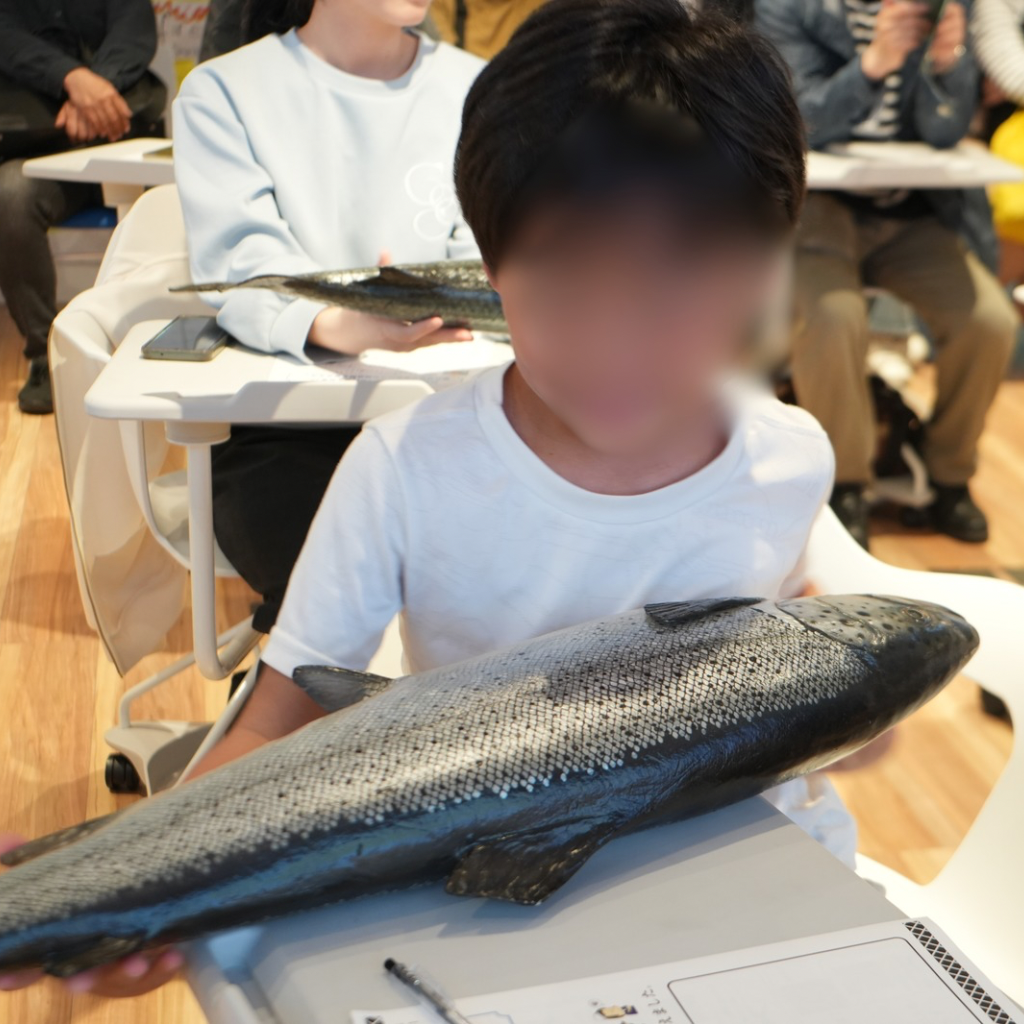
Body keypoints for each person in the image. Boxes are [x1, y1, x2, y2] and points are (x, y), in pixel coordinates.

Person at [1, 0, 852, 995]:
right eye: (568, 286)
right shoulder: (406, 468)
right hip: (490, 917)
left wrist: (855, 722)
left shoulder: (788, 457)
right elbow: (275, 724)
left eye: (685, 286)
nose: (622, 343)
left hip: (743, 894)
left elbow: (791, 637)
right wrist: (136, 884)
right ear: (486, 271)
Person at [174, 0, 484, 634]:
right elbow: (243, 263)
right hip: (282, 428)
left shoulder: (479, 87)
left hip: (452, 420)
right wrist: (347, 324)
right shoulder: (224, 91)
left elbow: (493, 252)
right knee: (332, 607)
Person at [756, 0, 1018, 548]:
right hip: (819, 210)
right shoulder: (789, 6)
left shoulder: (944, 8)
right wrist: (873, 64)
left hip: (912, 212)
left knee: (990, 321)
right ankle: (844, 482)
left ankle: (949, 473)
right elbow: (796, 122)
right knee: (833, 316)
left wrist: (945, 63)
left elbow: (946, 131)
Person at [0, 0, 164, 415]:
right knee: (9, 196)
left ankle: (160, 339)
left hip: (124, 133)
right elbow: (7, 39)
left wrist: (96, 91)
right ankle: (46, 354)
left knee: (184, 193)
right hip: (40, 145)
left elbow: (134, 31)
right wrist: (70, 78)